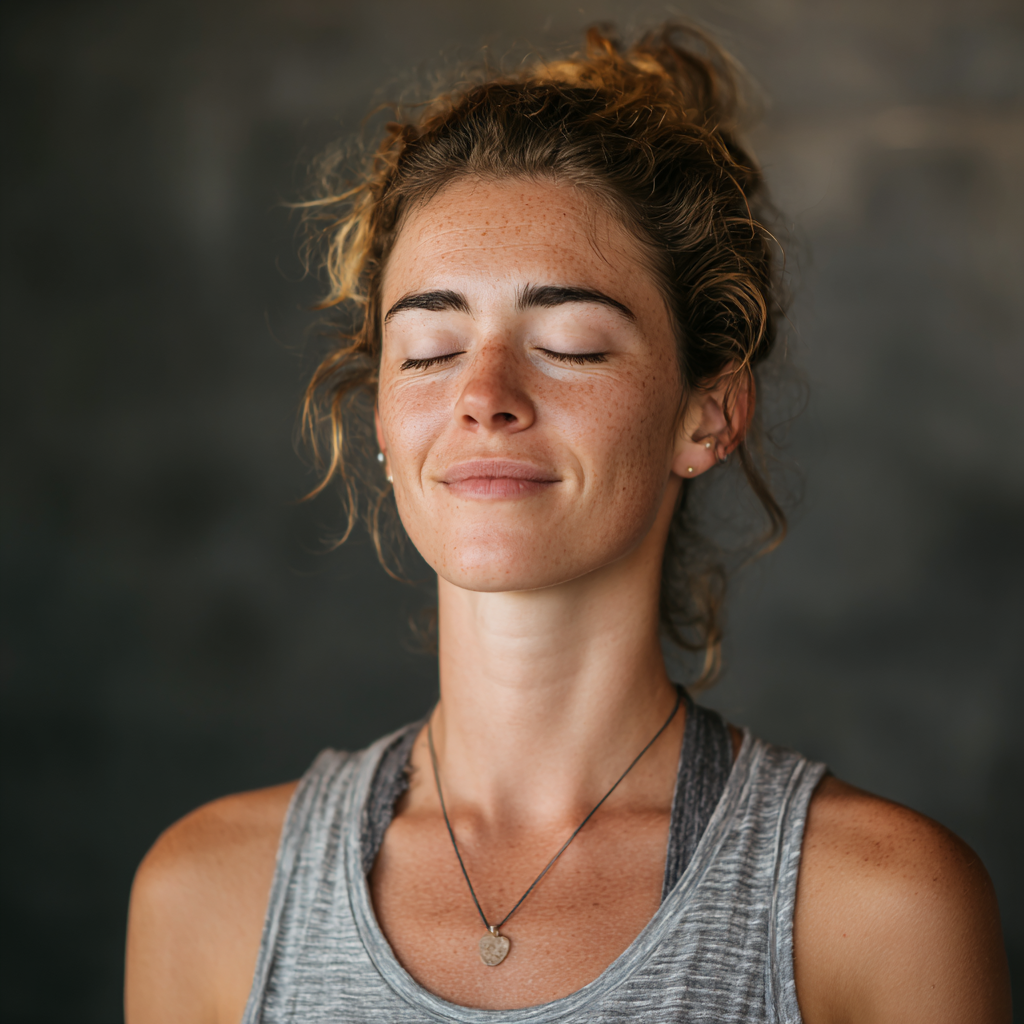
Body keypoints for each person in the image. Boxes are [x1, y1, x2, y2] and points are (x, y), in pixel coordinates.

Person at [124, 24, 1011, 1024]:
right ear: (379, 413)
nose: (484, 395)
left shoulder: (880, 906)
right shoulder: (206, 896)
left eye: (569, 343)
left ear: (704, 414)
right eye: (428, 349)